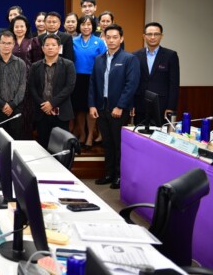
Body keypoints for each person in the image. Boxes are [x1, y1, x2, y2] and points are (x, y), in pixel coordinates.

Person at [89, 24, 140, 189]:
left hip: (118, 109)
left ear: (121, 39)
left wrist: (120, 106)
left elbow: (131, 85)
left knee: (119, 144)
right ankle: (109, 174)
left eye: (115, 37)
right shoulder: (99, 59)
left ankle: (119, 176)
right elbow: (93, 83)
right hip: (101, 108)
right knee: (107, 143)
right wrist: (92, 105)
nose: (111, 40)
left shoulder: (129, 59)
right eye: (108, 37)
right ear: (104, 38)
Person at [29, 34, 76, 150]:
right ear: (42, 48)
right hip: (42, 112)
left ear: (59, 48)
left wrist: (52, 103)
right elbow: (32, 88)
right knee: (43, 146)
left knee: (61, 148)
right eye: (47, 45)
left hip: (61, 113)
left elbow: (69, 87)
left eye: (53, 45)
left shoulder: (68, 65)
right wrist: (44, 105)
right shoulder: (35, 66)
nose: (50, 47)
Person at [133, 22, 180, 126]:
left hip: (162, 106)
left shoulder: (170, 55)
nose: (153, 37)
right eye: (149, 34)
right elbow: (133, 82)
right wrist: (132, 104)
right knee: (139, 134)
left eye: (156, 34)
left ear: (161, 36)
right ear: (144, 36)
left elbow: (174, 84)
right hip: (140, 105)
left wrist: (171, 107)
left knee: (159, 134)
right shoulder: (135, 55)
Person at [71, 15, 106, 149]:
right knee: (79, 109)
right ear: (79, 26)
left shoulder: (99, 42)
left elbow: (104, 62)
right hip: (77, 78)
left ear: (93, 26)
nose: (86, 27)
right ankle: (82, 134)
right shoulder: (73, 41)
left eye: (89, 24)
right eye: (83, 24)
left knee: (91, 108)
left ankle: (90, 135)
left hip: (93, 78)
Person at [0, 31, 26, 139]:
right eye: (3, 43)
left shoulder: (20, 63)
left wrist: (12, 105)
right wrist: (2, 104)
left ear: (13, 44)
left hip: (15, 108)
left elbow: (22, 87)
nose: (6, 46)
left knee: (15, 139)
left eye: (9, 43)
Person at [9, 15, 42, 139]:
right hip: (11, 84)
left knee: (26, 114)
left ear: (26, 27)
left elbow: (37, 64)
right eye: (16, 26)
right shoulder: (8, 42)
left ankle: (25, 140)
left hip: (28, 84)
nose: (19, 29)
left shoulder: (33, 42)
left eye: (22, 26)